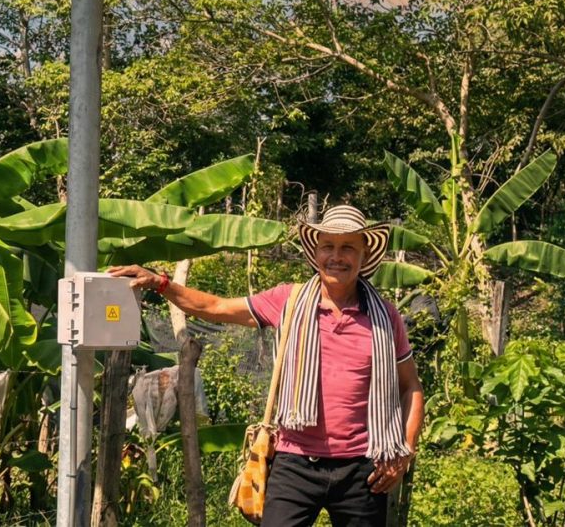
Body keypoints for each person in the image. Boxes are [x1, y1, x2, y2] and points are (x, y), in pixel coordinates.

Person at [110, 204, 424, 527]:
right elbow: (216, 306)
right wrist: (160, 283)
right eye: (328, 245)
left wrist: (404, 452)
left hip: (363, 469)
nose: (336, 256)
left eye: (348, 247)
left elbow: (411, 387)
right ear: (316, 252)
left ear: (364, 254)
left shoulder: (385, 318)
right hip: (296, 462)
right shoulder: (289, 301)